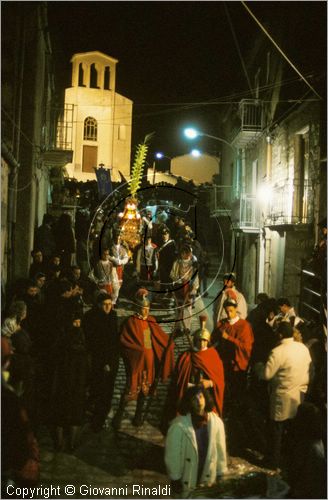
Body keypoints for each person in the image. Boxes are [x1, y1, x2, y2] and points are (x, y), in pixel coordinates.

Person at [112, 290, 175, 430]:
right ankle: (119, 415)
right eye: (143, 308)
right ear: (138, 308)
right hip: (136, 365)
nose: (146, 311)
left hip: (149, 364)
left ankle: (138, 416)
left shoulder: (150, 321)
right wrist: (139, 352)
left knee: (144, 392)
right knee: (129, 389)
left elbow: (157, 339)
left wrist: (169, 343)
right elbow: (125, 342)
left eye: (148, 308)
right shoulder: (131, 322)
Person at [254, 321, 312, 470]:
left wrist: (259, 367)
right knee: (293, 430)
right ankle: (292, 461)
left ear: (279, 335)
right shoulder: (303, 348)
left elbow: (267, 375)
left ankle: (273, 463)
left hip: (282, 397)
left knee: (276, 431)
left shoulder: (277, 351)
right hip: (299, 394)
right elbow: (310, 370)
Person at [164, 386, 227, 498]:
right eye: (194, 399)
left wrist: (221, 472)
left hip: (207, 472)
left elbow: (220, 449)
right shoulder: (178, 426)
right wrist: (175, 477)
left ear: (206, 399)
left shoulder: (216, 423)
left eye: (201, 397)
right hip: (188, 474)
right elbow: (172, 454)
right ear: (189, 402)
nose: (199, 401)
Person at [51, 310, 88, 451]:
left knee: (61, 416)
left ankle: (60, 444)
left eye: (79, 322)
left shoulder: (61, 343)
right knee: (74, 415)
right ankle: (70, 444)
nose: (78, 324)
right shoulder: (80, 347)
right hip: (75, 385)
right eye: (75, 322)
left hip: (63, 384)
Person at [173, 317, 225, 418]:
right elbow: (180, 376)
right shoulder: (187, 355)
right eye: (199, 340)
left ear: (208, 341)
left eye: (204, 341)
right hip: (190, 392)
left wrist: (210, 383)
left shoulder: (213, 356)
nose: (201, 344)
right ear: (195, 341)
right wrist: (187, 384)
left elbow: (219, 380)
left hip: (207, 394)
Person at [83, 293, 119, 432]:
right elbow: (95, 343)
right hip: (99, 361)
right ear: (98, 305)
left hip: (111, 360)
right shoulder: (91, 318)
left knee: (106, 392)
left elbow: (113, 340)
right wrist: (105, 362)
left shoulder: (113, 316)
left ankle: (100, 418)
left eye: (110, 304)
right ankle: (96, 420)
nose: (108, 307)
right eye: (105, 304)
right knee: (99, 390)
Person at [212, 298, 254, 414]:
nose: (229, 314)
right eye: (227, 311)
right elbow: (214, 340)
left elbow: (246, 347)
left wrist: (229, 338)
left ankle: (238, 412)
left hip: (237, 364)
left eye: (231, 311)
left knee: (238, 390)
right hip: (224, 363)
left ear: (236, 309)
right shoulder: (223, 324)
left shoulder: (244, 326)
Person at [170, 245, 199, 333]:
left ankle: (187, 327)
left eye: (186, 253)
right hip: (179, 287)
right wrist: (178, 279)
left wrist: (194, 289)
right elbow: (172, 274)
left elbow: (195, 278)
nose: (184, 255)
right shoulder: (177, 263)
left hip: (188, 288)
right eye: (182, 253)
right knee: (178, 308)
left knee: (187, 309)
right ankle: (178, 327)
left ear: (189, 254)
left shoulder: (193, 265)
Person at [156, 227, 176, 293]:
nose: (164, 236)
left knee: (169, 279)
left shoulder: (172, 243)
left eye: (166, 234)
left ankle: (170, 293)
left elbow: (174, 255)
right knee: (163, 279)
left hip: (170, 264)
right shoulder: (159, 242)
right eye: (163, 234)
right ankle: (163, 292)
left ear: (168, 234)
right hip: (162, 264)